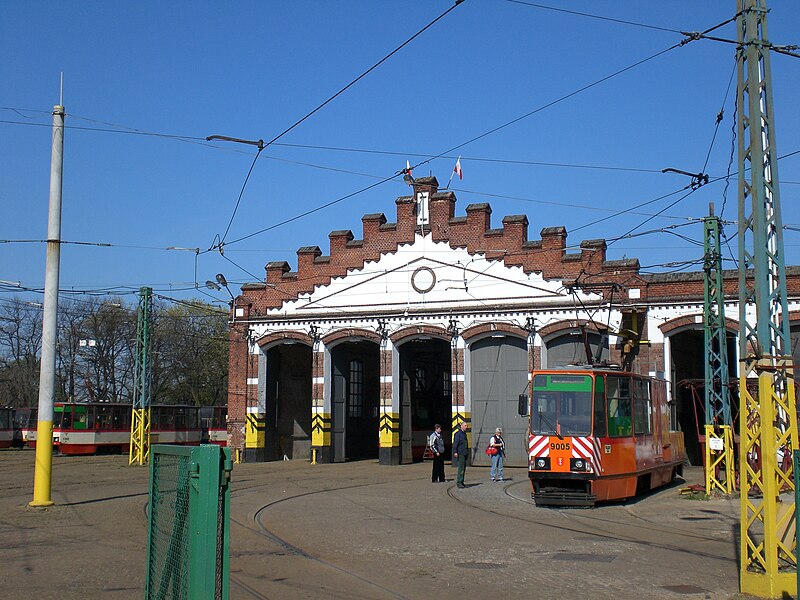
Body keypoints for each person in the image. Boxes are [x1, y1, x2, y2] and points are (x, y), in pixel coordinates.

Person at [452, 421, 469, 488]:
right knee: (461, 468)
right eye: (465, 426)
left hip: (465, 452)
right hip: (460, 453)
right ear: (461, 426)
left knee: (463, 468)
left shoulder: (464, 434)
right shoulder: (458, 434)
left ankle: (462, 481)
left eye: (466, 426)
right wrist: (455, 452)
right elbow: (455, 444)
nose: (466, 427)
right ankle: (459, 482)